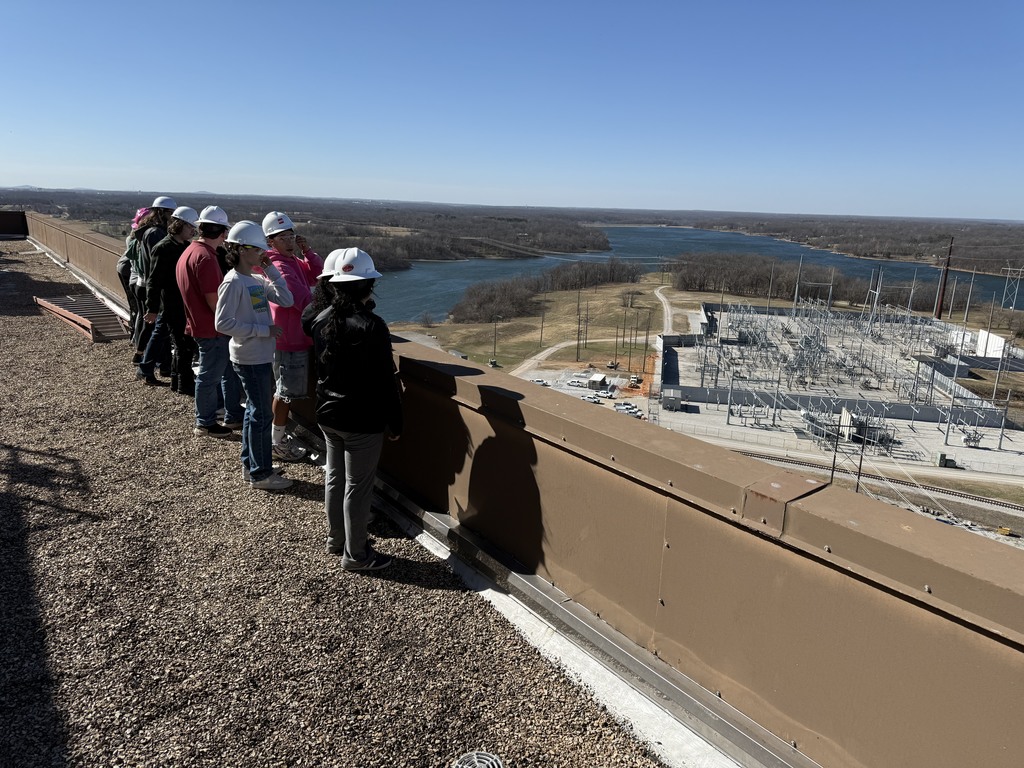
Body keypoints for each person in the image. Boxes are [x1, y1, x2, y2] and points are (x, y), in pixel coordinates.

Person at [301, 248, 402, 570]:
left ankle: (336, 540)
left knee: (335, 478)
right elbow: (386, 380)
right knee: (358, 488)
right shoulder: (372, 326)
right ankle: (357, 554)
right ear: (370, 284)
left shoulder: (320, 320)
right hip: (362, 418)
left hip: (328, 413)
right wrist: (396, 421)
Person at [214, 222, 294, 491]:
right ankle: (261, 474)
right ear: (240, 249)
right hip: (250, 357)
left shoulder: (255, 280)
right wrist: (263, 330)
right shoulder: (233, 282)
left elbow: (286, 299)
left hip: (259, 356)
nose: (262, 254)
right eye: (257, 249)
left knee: (253, 414)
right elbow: (222, 323)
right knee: (261, 416)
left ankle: (253, 466)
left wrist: (270, 269)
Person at [259, 211, 324, 462]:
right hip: (290, 340)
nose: (289, 241)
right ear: (270, 242)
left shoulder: (292, 260)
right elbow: (303, 301)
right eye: (281, 237)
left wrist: (308, 252)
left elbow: (315, 275)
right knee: (284, 392)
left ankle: (276, 438)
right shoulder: (279, 266)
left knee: (285, 390)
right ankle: (275, 442)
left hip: (295, 338)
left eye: (291, 236)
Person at [175, 206, 245, 437]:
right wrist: (233, 323)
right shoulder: (206, 258)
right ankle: (205, 421)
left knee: (226, 372)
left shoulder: (190, 251)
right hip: (212, 328)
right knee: (210, 375)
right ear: (223, 233)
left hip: (201, 325)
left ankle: (232, 414)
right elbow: (215, 301)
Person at [136, 206, 198, 388]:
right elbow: (154, 281)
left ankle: (161, 371)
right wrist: (152, 308)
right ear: (179, 225)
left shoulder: (185, 246)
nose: (192, 231)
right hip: (169, 302)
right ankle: (148, 370)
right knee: (166, 337)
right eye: (189, 227)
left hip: (180, 301)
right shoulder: (163, 248)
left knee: (165, 336)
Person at [127, 195, 177, 364]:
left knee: (152, 325)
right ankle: (144, 361)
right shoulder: (155, 233)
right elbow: (157, 263)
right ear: (162, 212)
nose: (173, 217)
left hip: (145, 283)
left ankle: (150, 360)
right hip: (151, 285)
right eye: (172, 213)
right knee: (154, 327)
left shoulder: (150, 230)